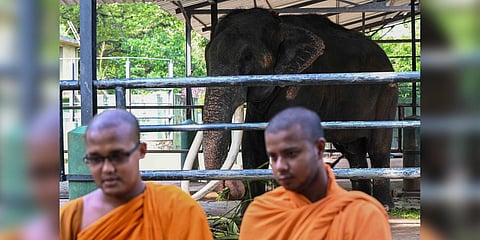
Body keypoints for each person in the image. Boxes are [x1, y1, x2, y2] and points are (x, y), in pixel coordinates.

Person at [239, 107, 391, 239]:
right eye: (274, 157)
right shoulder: (262, 213)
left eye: (291, 154)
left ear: (319, 148)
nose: (280, 166)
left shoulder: (362, 215)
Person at [60, 109, 213, 240]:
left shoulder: (179, 208)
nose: (107, 168)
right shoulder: (71, 217)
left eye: (117, 156)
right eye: (95, 159)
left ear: (141, 151)